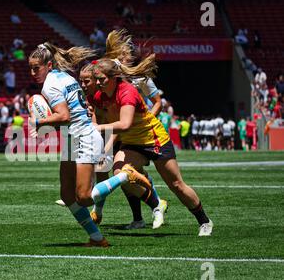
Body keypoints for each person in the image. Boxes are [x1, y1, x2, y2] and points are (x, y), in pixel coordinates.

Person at [89, 58, 213, 236]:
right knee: (119, 174)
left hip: (155, 140)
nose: (98, 83)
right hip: (132, 143)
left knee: (177, 185)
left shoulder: (127, 91)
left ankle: (204, 221)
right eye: (97, 79)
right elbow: (100, 117)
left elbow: (124, 124)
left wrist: (97, 128)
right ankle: (156, 204)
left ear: (114, 77)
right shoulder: (99, 96)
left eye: (102, 79)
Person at [28, 42, 110, 247]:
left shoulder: (50, 85)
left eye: (36, 68)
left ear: (48, 65)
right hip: (74, 138)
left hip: (84, 137)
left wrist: (39, 122)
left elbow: (63, 116)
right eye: (30, 68)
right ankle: (97, 238)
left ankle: (126, 175)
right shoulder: (64, 77)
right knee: (66, 193)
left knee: (82, 197)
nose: (32, 72)